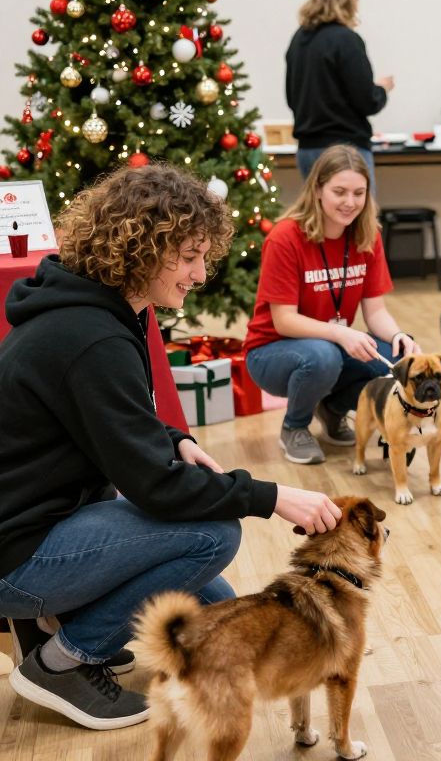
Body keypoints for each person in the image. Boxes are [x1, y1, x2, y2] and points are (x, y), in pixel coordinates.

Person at [0, 165, 343, 730]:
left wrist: (175, 439)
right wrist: (272, 495)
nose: (200, 273)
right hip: (17, 553)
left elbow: (102, 419)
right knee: (212, 533)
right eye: (188, 256)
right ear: (141, 247)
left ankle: (57, 624)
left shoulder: (91, 308)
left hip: (34, 520)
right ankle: (62, 663)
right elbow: (154, 488)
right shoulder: (94, 337)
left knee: (213, 608)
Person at [244, 144, 420, 466]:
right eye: (339, 191)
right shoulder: (285, 237)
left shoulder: (368, 235)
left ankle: (333, 409)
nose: (350, 202)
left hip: (329, 344)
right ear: (318, 190)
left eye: (359, 192)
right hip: (272, 352)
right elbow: (284, 321)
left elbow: (376, 311)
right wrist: (341, 335)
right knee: (323, 356)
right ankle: (294, 427)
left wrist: (400, 337)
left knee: (394, 361)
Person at [287, 0, 394, 185]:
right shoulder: (346, 40)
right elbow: (367, 101)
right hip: (346, 154)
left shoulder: (299, 40)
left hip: (307, 150)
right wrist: (382, 89)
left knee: (317, 215)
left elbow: (291, 98)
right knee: (354, 213)